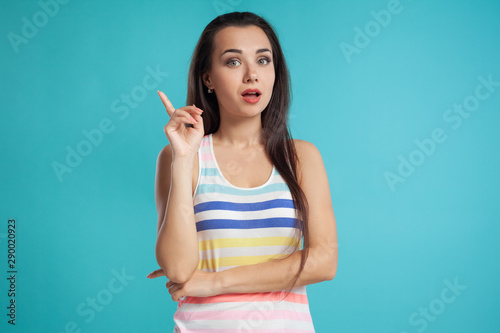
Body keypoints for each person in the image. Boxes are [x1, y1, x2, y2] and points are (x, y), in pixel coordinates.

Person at [147, 11, 337, 332]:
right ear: (207, 77)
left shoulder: (301, 157)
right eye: (233, 62)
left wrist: (215, 282)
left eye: (263, 61)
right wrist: (183, 159)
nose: (252, 75)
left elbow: (323, 261)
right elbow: (179, 269)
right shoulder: (180, 156)